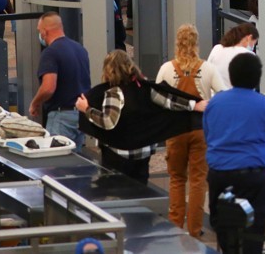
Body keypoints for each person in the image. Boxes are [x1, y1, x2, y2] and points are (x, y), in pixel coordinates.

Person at [77, 50, 205, 183]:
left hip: (120, 153)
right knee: (141, 189)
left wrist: (86, 109)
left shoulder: (114, 92)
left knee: (118, 192)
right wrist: (194, 105)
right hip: (144, 150)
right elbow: (168, 101)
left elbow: (108, 121)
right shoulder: (144, 86)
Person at [204, 53, 265, 254]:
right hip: (253, 174)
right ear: (257, 77)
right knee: (255, 224)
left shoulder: (216, 103)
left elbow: (208, 133)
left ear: (231, 76)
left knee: (221, 221)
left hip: (220, 172)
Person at [156, 25, 226, 238]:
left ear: (177, 42)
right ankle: (195, 230)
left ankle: (175, 227)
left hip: (175, 131)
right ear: (196, 43)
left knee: (177, 178)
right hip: (200, 130)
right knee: (198, 180)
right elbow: (222, 96)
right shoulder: (207, 69)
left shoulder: (167, 69)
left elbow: (157, 97)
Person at [28, 12, 91, 148]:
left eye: (39, 31)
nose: (40, 35)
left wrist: (35, 102)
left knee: (57, 162)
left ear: (45, 31)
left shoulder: (50, 53)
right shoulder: (80, 49)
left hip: (61, 117)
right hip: (81, 115)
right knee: (75, 160)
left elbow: (49, 87)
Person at [207, 22, 259, 89]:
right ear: (249, 38)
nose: (253, 46)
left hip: (214, 96)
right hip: (237, 97)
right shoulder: (249, 55)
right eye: (254, 43)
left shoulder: (217, 48)